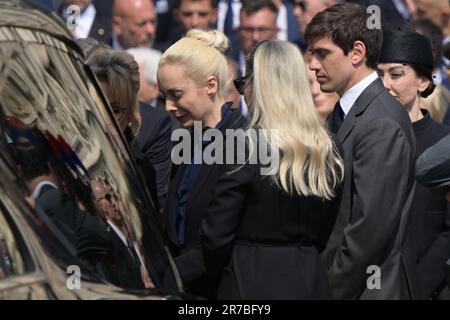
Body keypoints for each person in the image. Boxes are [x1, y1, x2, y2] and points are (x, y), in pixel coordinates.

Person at [198, 40, 343, 299]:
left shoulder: (245, 146)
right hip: (310, 279)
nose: (244, 93)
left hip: (250, 280)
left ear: (259, 84)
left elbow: (216, 234)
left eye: (244, 84)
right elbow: (327, 229)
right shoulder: (329, 148)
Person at [305, 2, 416, 299]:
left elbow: (368, 231)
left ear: (356, 52)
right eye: (311, 53)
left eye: (322, 54)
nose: (313, 65)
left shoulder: (380, 123)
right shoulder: (346, 113)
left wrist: (327, 291)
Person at [157, 29, 247, 298]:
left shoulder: (241, 143)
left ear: (210, 86)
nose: (169, 107)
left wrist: (166, 274)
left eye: (176, 94)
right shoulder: (186, 140)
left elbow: (220, 241)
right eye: (164, 97)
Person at [378, 29, 450, 299]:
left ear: (422, 81)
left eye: (396, 74)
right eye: (379, 75)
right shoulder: (365, 140)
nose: (385, 85)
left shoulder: (444, 144)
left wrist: (415, 288)